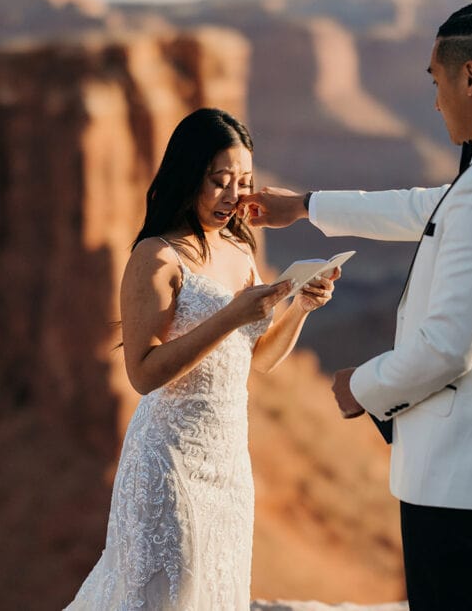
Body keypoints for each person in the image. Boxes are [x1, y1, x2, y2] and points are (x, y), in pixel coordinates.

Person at [240, 2, 472, 610]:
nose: (434, 102)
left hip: (469, 482)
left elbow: (448, 351)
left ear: (470, 77)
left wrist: (361, 387)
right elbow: (431, 206)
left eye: (435, 80)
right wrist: (306, 205)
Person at [65, 108, 340, 610]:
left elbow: (257, 360)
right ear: (188, 175)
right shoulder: (156, 257)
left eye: (245, 182)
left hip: (229, 461)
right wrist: (231, 317)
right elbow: (143, 375)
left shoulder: (239, 248)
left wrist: (300, 307)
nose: (235, 196)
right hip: (168, 460)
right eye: (220, 181)